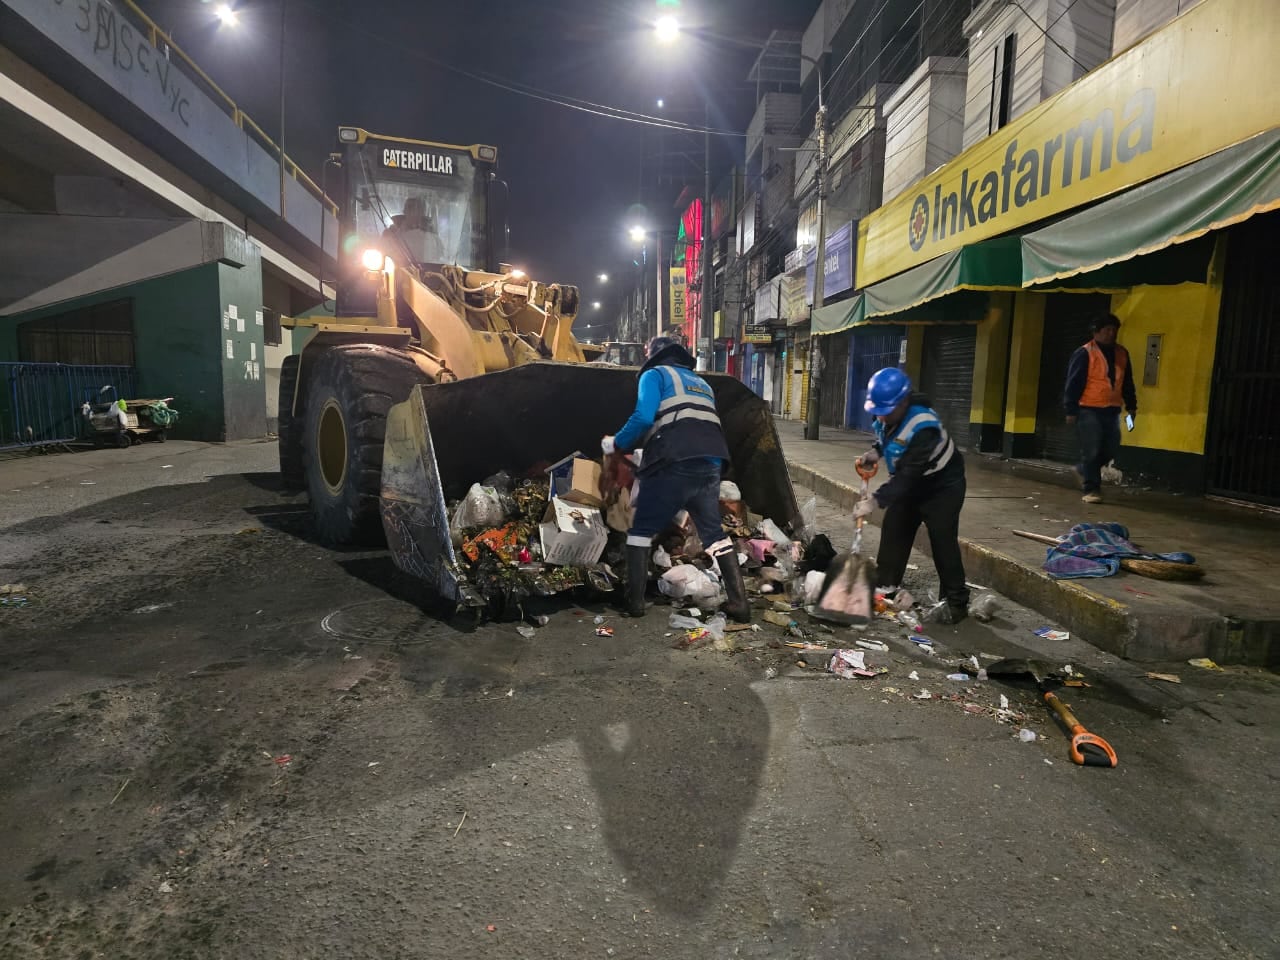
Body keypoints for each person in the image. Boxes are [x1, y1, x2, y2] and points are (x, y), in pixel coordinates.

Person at [602, 336, 750, 622]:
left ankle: (634, 603)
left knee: (641, 530)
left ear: (654, 357)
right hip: (712, 461)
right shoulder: (701, 383)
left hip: (675, 460)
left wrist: (615, 444)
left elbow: (643, 418)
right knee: (714, 535)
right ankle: (739, 603)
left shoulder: (654, 375)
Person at [853, 368, 970, 624]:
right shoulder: (887, 415)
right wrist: (875, 453)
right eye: (878, 410)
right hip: (911, 482)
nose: (881, 416)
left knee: (942, 539)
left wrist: (874, 501)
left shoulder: (924, 425)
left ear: (904, 401)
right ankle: (886, 588)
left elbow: (908, 475)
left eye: (886, 411)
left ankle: (955, 602)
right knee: (894, 529)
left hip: (942, 485)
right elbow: (888, 436)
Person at [1063, 313, 1137, 504]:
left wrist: (1132, 406)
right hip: (1088, 408)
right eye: (1107, 330)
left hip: (1112, 409)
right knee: (1092, 449)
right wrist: (1070, 409)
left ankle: (1082, 469)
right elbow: (1073, 382)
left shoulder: (1122, 353)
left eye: (1114, 330)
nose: (1111, 334)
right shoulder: (1084, 353)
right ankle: (1092, 489)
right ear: (1096, 332)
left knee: (1111, 447)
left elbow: (1127, 382)